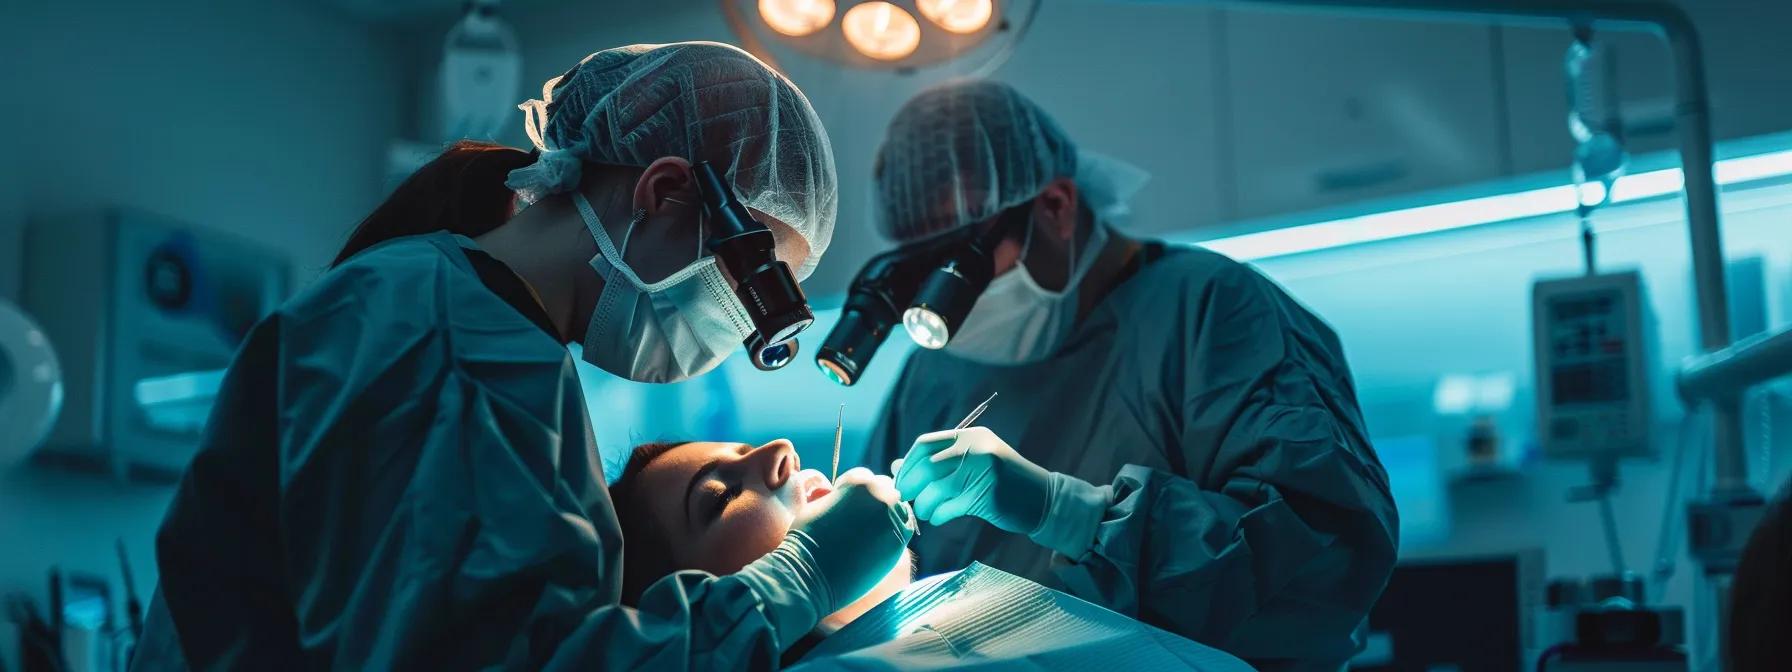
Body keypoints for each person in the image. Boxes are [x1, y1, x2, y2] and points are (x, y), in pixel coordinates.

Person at [132, 42, 913, 671]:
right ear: (663, 192)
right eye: (753, 285)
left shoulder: (465, 327)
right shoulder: (459, 353)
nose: (742, 327)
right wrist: (798, 580)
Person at [865, 80, 1400, 671]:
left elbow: (1322, 563)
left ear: (1056, 206)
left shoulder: (1215, 308)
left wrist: (1067, 514)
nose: (950, 295)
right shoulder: (933, 370)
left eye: (960, 259)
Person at [608, 439, 1255, 671]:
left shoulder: (971, 618)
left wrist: (1073, 515)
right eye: (720, 497)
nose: (779, 450)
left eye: (745, 449)